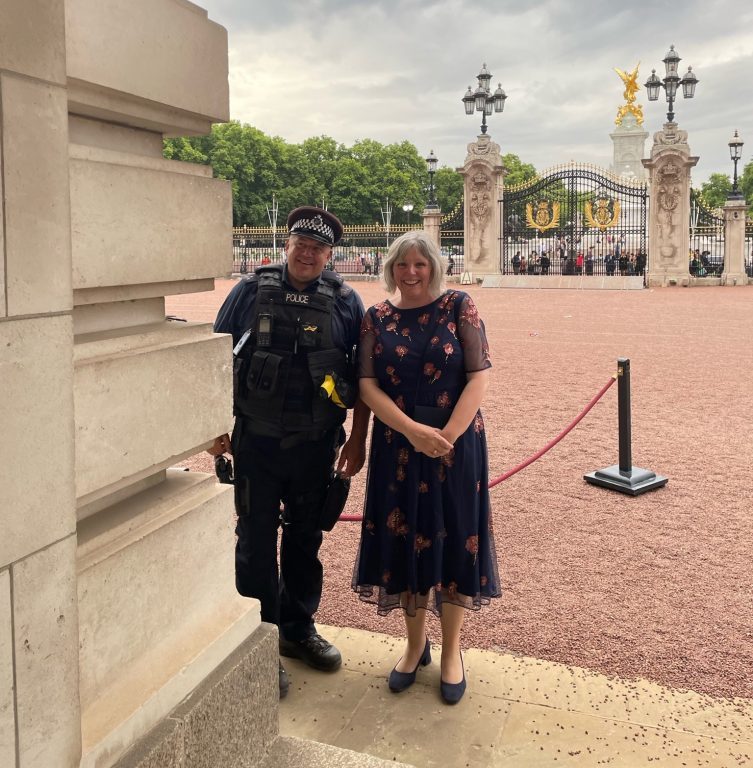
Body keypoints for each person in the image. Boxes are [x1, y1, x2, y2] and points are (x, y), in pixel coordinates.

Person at [210, 206, 370, 699]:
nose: (308, 253)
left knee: (305, 542)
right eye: (301, 243)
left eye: (318, 248)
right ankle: (260, 639)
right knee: (255, 544)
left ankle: (298, 630)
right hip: (255, 442)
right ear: (287, 245)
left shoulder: (347, 302)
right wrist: (213, 428)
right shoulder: (249, 291)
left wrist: (358, 440)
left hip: (316, 445)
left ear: (329, 254)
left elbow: (363, 379)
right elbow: (213, 359)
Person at [352, 230, 500, 705]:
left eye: (419, 264)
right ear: (390, 269)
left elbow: (478, 376)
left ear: (434, 267)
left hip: (455, 445)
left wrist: (447, 436)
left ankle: (453, 650)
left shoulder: (459, 305)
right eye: (402, 264)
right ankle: (416, 645)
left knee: (456, 538)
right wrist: (413, 431)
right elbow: (368, 386)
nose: (411, 273)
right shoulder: (376, 317)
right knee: (403, 540)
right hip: (397, 442)